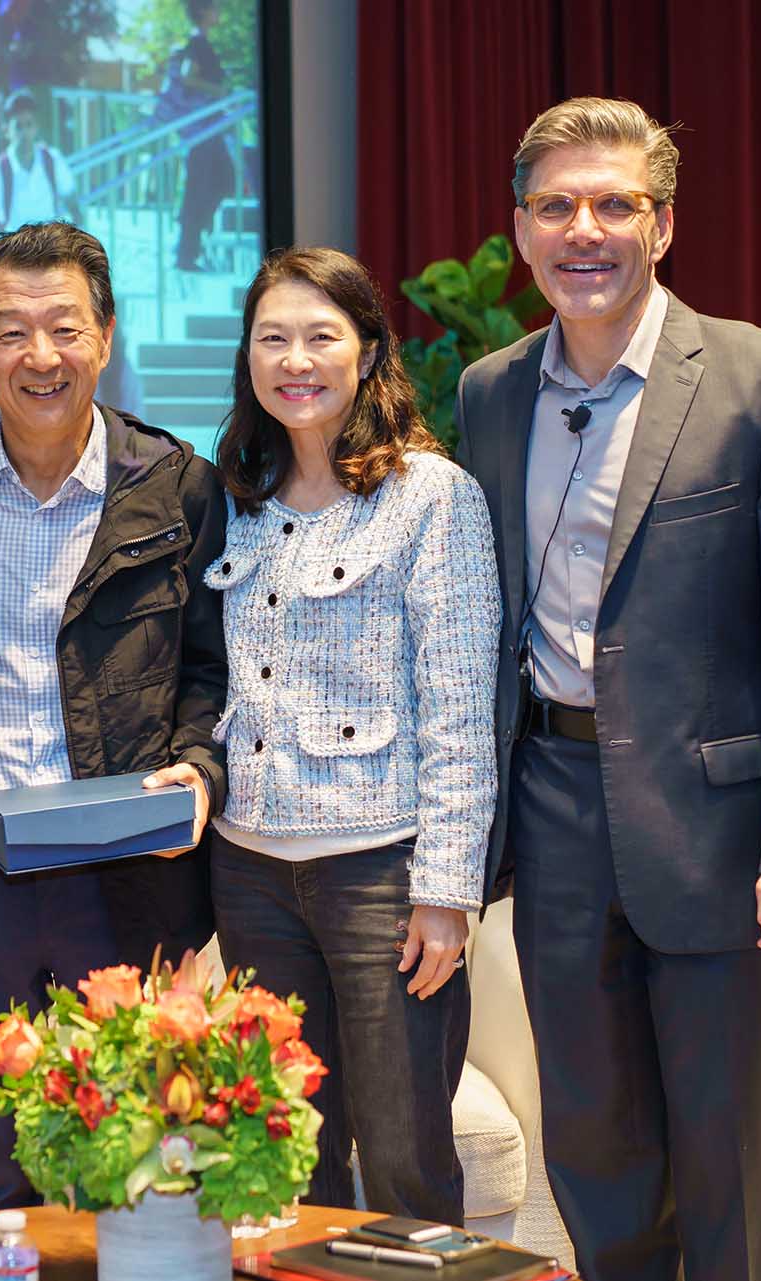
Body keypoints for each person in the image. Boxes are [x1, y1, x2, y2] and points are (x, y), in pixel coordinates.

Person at [455, 97, 761, 1281]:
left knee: (730, 1155)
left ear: (664, 223)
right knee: (594, 1143)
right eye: (556, 206)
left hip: (720, 829)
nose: (585, 231)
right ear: (523, 230)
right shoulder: (490, 391)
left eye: (615, 205)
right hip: (555, 803)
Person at [0, 220, 228, 1214]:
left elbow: (214, 670)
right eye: (10, 330)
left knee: (144, 1165)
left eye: (63, 327)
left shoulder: (178, 488)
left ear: (105, 336)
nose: (40, 355)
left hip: (126, 870)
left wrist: (198, 767)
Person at [205, 247, 499, 1219]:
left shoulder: (431, 498)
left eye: (322, 336)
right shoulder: (233, 500)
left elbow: (459, 707)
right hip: (249, 875)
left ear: (369, 351)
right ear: (248, 357)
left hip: (380, 876)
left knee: (407, 1155)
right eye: (273, 338)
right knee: (288, 1157)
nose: (297, 359)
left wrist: (447, 892)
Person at [162, 0, 233, 272]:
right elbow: (188, 77)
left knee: (217, 182)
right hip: (202, 129)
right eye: (215, 7)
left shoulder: (201, 43)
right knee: (203, 186)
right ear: (203, 12)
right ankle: (186, 252)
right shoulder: (198, 44)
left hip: (208, 128)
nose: (219, 12)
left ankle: (191, 245)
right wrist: (219, 93)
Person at [0, 90, 78, 240]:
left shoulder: (53, 161)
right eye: (18, 126)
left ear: (36, 127)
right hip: (14, 255)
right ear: (6, 130)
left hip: (50, 252)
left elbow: (74, 206)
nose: (25, 132)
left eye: (29, 124)